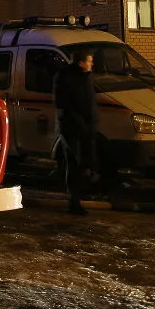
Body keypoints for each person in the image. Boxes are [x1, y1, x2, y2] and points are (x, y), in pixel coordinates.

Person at [53, 50, 99, 216]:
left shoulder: (86, 77)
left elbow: (89, 103)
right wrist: (79, 123)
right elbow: (64, 106)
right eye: (89, 61)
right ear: (81, 63)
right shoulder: (65, 78)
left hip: (86, 128)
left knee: (85, 162)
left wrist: (92, 124)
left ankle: (79, 195)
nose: (92, 64)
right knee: (74, 163)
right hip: (71, 129)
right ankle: (74, 201)